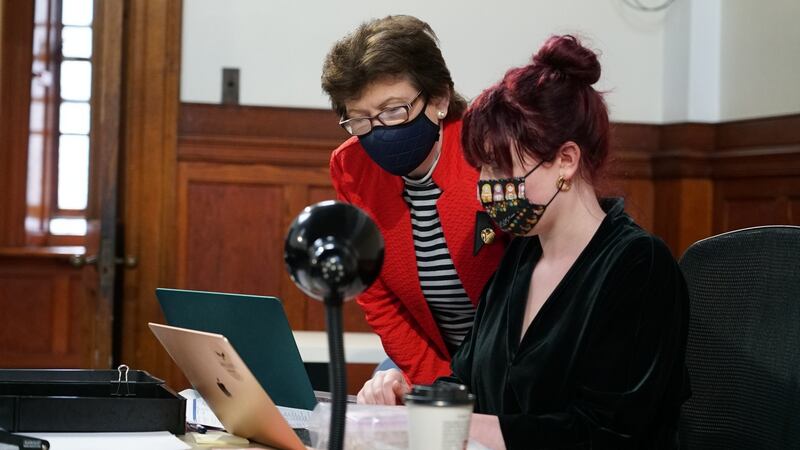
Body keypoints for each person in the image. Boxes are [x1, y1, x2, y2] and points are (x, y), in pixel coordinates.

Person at [357, 35, 691, 449]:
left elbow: (608, 431)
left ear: (566, 160)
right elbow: (467, 379)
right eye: (481, 169)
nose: (485, 186)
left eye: (499, 168)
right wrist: (411, 396)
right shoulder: (521, 255)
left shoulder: (639, 264)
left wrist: (463, 428)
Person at [320, 15, 508, 388]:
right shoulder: (351, 167)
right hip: (426, 350)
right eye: (360, 119)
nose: (378, 129)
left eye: (394, 110)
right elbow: (376, 296)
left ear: (438, 98)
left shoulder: (490, 150)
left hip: (509, 358)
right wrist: (438, 383)